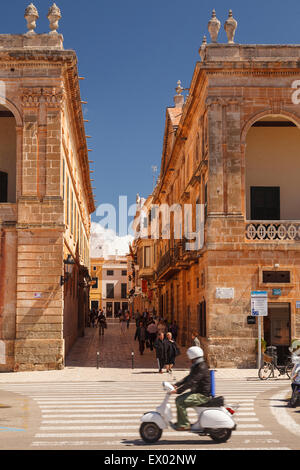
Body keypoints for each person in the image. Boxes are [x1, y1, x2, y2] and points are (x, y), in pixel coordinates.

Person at [170, 346, 211, 431]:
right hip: (197, 392)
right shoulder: (198, 365)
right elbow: (188, 378)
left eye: (190, 358)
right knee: (178, 399)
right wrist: (177, 384)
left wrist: (178, 391)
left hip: (202, 395)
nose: (190, 360)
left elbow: (192, 382)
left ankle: (184, 425)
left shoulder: (201, 367)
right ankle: (182, 422)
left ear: (193, 357)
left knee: (180, 401)